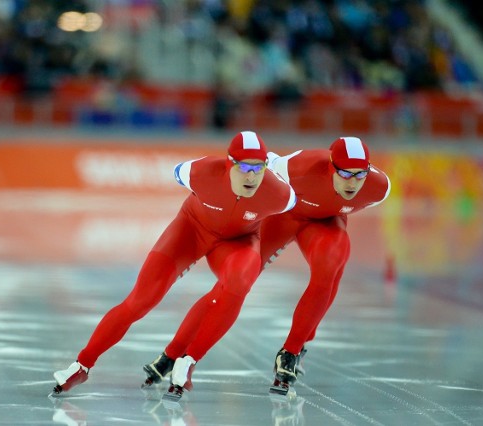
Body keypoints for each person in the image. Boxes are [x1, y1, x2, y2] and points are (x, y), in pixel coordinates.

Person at [52, 131, 297, 397]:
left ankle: (188, 360)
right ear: (229, 164)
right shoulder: (199, 172)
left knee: (240, 283)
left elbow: (297, 211)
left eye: (258, 168)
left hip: (238, 241)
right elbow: (178, 171)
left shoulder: (280, 194)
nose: (251, 176)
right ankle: (82, 365)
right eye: (245, 168)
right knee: (141, 300)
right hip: (190, 231)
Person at [142, 136, 390, 393]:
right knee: (232, 286)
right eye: (345, 174)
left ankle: (292, 351)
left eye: (360, 174)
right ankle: (172, 354)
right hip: (283, 218)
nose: (353, 182)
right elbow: (258, 174)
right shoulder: (296, 168)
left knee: (334, 262)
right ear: (330, 167)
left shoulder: (379, 188)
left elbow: (348, 198)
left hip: (324, 223)